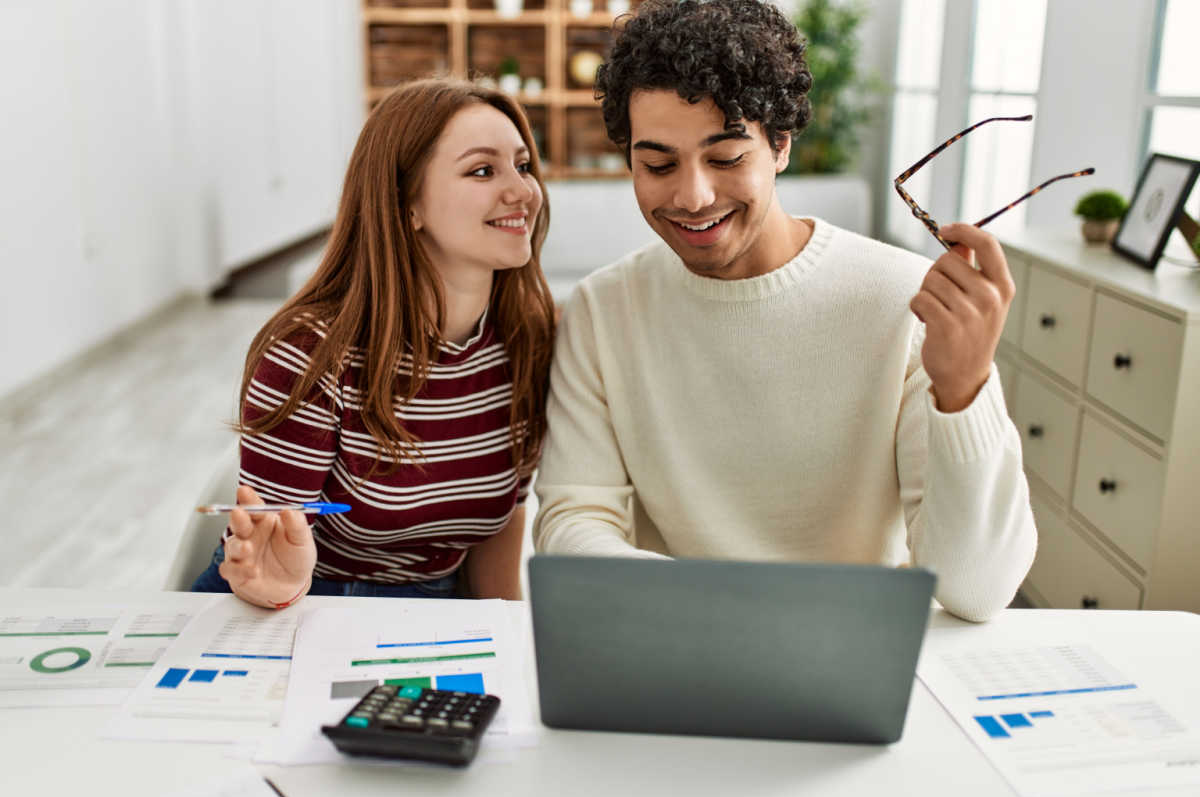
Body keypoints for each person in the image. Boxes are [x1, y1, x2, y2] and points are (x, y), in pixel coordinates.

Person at [533, 0, 1036, 622]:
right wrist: (726, 613)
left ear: (780, 146)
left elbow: (977, 592)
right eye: (657, 164)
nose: (692, 196)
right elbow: (574, 522)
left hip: (851, 649)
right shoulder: (602, 311)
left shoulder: (902, 302)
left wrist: (965, 392)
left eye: (726, 158)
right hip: (673, 636)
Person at [191, 78, 556, 608]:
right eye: (483, 170)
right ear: (408, 206)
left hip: (439, 608)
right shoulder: (310, 354)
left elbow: (499, 528)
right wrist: (281, 585)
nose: (524, 191)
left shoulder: (529, 339)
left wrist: (514, 648)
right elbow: (268, 558)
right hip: (304, 605)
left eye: (523, 165)